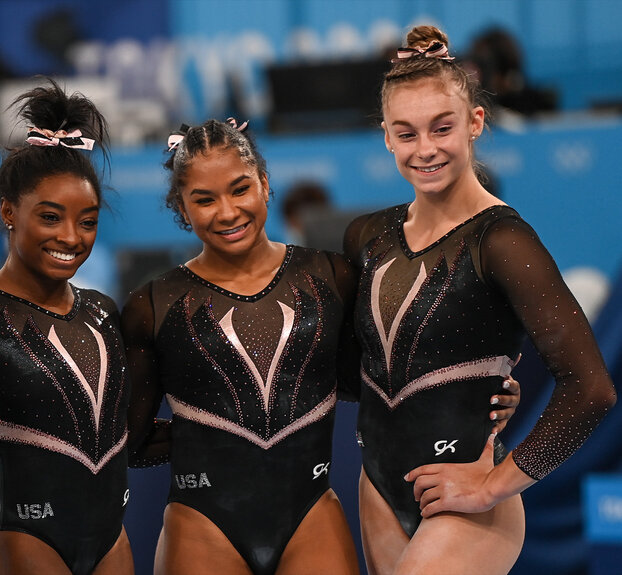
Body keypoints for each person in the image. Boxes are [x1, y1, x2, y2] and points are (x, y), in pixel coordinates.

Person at [120, 118, 520, 575]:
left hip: (310, 516)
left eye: (239, 189)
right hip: (202, 523)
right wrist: (207, 439)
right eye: (204, 200)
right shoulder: (154, 305)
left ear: (265, 184)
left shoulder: (331, 276)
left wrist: (481, 394)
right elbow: (129, 443)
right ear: (181, 207)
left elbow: (377, 378)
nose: (227, 212)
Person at [342, 25, 616, 575]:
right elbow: (358, 370)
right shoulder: (365, 237)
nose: (426, 150)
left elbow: (592, 389)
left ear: (474, 123)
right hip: (377, 489)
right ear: (387, 137)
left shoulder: (502, 241)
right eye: (407, 133)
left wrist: (496, 482)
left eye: (442, 128)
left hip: (468, 501)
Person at [0, 79, 133, 575]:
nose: (70, 237)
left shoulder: (102, 310)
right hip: (22, 537)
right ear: (9, 211)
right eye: (51, 217)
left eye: (88, 221)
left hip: (110, 539)